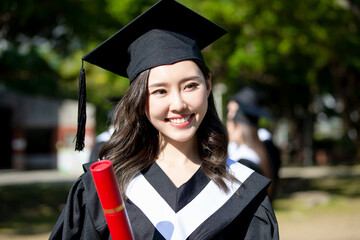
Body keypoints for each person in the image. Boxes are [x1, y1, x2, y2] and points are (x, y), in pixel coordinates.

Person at [50, 0, 279, 239]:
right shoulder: (103, 190)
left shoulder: (242, 192)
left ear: (208, 84)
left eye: (190, 86)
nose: (179, 104)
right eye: (160, 91)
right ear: (140, 98)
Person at [226, 86, 281, 200]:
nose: (228, 120)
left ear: (238, 125)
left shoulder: (244, 162)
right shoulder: (262, 152)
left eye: (231, 114)